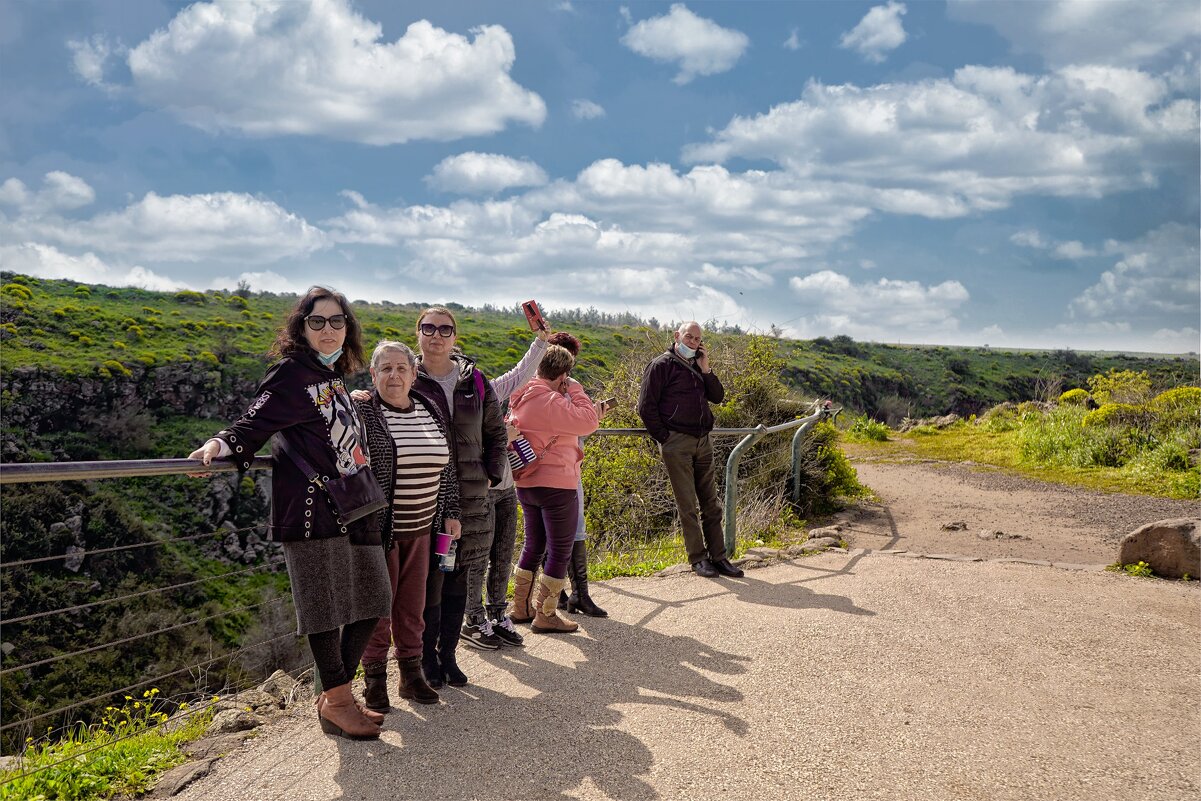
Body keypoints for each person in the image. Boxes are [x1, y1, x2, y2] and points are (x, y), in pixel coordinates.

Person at [188, 287, 391, 740]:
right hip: (313, 509)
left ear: (348, 327)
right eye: (317, 322)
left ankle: (335, 695)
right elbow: (252, 424)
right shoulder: (290, 374)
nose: (327, 329)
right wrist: (219, 446)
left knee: (373, 598)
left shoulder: (333, 374)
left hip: (355, 503)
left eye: (336, 321)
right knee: (324, 607)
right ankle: (338, 700)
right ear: (301, 327)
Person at [354, 341, 460, 710]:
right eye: (385, 368)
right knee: (378, 609)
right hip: (380, 531)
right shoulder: (364, 410)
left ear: (415, 374)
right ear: (373, 374)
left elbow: (447, 467)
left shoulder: (429, 408)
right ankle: (374, 682)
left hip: (424, 529)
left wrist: (451, 511)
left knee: (413, 607)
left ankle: (411, 675)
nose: (394, 375)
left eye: (402, 368)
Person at [412, 307, 506, 686]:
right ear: (417, 332)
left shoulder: (475, 380)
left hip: (469, 497)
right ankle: (424, 659)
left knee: (457, 577)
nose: (436, 335)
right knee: (425, 582)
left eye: (445, 329)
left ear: (455, 336)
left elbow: (497, 434)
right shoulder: (406, 376)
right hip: (421, 496)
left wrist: (490, 476)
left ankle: (447, 656)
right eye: (428, 328)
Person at [463, 329, 550, 650]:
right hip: (480, 489)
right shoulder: (448, 401)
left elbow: (520, 374)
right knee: (477, 557)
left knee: (502, 555)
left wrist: (541, 342)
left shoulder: (483, 388)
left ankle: (498, 615)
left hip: (505, 486)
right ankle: (473, 619)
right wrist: (502, 434)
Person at [637, 321, 744, 579]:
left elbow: (718, 396)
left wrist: (706, 369)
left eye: (697, 339)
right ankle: (698, 558)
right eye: (689, 337)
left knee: (711, 503)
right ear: (677, 336)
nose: (693, 342)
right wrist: (665, 438)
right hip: (677, 444)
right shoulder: (660, 365)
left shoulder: (698, 366)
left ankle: (719, 557)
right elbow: (645, 407)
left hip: (702, 441)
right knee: (687, 505)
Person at [507, 344, 600, 634]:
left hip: (526, 481)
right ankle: (546, 614)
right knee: (559, 548)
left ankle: (520, 606)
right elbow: (588, 421)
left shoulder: (520, 395)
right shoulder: (550, 400)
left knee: (533, 544)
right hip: (557, 482)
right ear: (562, 374)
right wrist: (575, 389)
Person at [545, 331, 608, 617]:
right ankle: (567, 595)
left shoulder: (560, 387)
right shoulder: (553, 388)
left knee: (571, 529)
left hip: (566, 465)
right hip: (555, 466)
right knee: (556, 532)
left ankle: (572, 595)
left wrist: (591, 416)